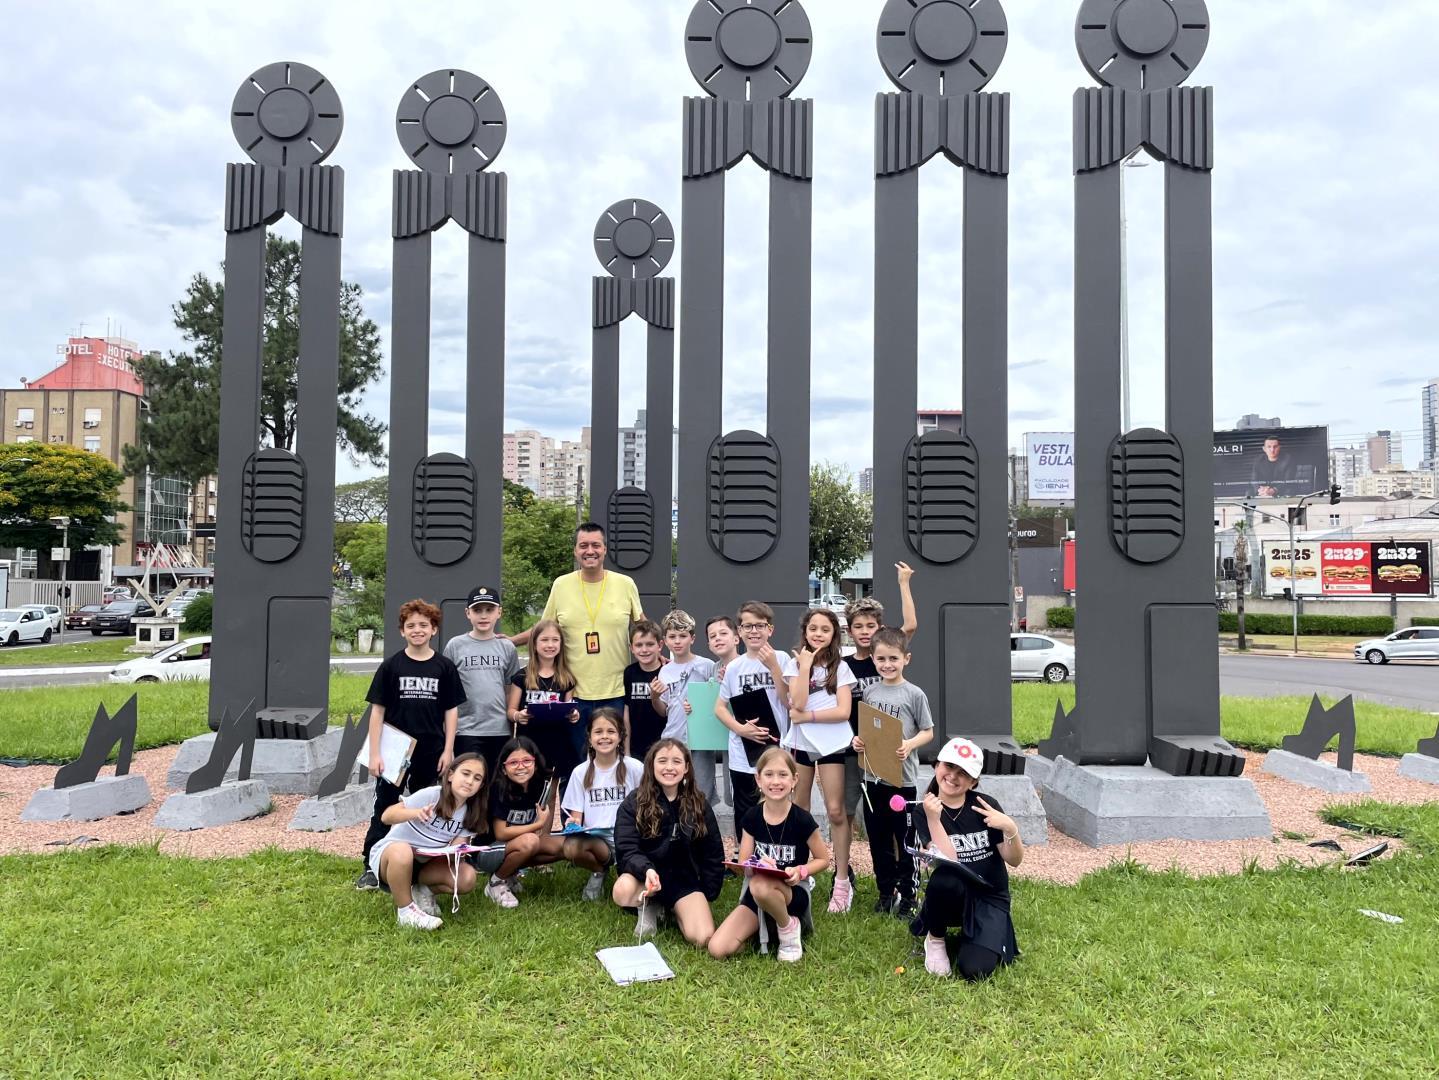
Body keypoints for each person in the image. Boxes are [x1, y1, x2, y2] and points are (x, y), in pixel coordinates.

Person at [356, 599, 466, 891]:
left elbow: (451, 711)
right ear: (402, 631)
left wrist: (448, 750)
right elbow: (377, 712)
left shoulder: (444, 667)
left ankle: (419, 864)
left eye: (423, 625)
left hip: (432, 749)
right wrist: (375, 753)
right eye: (411, 625)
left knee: (426, 807)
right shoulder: (391, 666)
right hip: (395, 750)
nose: (417, 630)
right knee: (385, 805)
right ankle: (371, 865)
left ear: (434, 629)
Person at [511, 523, 646, 759]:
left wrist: (661, 655)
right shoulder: (561, 585)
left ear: (605, 549)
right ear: (575, 550)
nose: (589, 551)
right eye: (583, 545)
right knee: (577, 762)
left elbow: (642, 627)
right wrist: (508, 641)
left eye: (596, 545)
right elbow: (542, 629)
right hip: (572, 693)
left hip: (615, 690)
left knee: (614, 761)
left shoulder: (625, 584)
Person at [912, 737, 1023, 980]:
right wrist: (934, 819)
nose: (953, 776)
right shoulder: (924, 810)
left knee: (975, 970)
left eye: (963, 773)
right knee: (944, 878)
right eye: (949, 766)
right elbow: (950, 860)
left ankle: (983, 933)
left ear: (973, 781)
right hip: (954, 892)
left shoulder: (985, 806)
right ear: (936, 765)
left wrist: (1010, 827)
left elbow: (1014, 860)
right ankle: (936, 938)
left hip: (989, 895)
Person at [838, 564, 917, 899]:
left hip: (886, 753)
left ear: (880, 628)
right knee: (847, 811)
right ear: (849, 631)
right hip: (853, 749)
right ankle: (844, 874)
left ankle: (900, 879)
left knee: (894, 816)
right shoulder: (844, 665)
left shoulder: (886, 655)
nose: (865, 632)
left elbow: (910, 625)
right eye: (859, 626)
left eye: (871, 625)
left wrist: (903, 583)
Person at [709, 747, 830, 963]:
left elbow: (823, 860)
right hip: (756, 895)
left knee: (760, 885)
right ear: (758, 779)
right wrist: (757, 862)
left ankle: (788, 927)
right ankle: (767, 927)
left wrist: (801, 870)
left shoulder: (802, 819)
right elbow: (744, 862)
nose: (776, 781)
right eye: (769, 774)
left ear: (794, 780)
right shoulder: (752, 817)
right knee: (718, 948)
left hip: (792, 893)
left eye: (783, 775)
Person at [851, 626, 935, 919]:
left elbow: (928, 731)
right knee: (878, 839)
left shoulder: (914, 694)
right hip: (873, 778)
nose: (887, 665)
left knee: (905, 840)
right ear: (873, 659)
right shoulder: (869, 692)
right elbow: (866, 731)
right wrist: (858, 742)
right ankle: (886, 892)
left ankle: (909, 895)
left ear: (906, 659)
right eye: (881, 659)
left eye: (893, 659)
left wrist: (910, 744)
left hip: (903, 781)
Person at [612, 739, 725, 947]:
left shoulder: (699, 803)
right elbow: (626, 850)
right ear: (651, 765)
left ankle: (673, 908)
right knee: (622, 890)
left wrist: (707, 892)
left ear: (686, 767)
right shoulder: (633, 803)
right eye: (662, 761)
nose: (669, 767)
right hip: (647, 878)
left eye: (676, 761)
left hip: (684, 882)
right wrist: (646, 870)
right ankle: (649, 905)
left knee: (702, 938)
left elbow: (713, 852)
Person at [784, 607, 857, 913]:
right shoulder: (794, 664)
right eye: (813, 628)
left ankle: (842, 881)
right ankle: (802, 873)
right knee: (799, 810)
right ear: (805, 631)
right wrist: (805, 667)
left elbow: (843, 711)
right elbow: (797, 702)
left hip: (833, 745)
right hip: (801, 745)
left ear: (834, 634)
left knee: (836, 810)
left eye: (825, 629)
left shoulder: (841, 667)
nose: (818, 634)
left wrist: (808, 717)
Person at [369, 754, 491, 930]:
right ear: (451, 775)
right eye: (465, 773)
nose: (470, 781)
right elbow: (386, 816)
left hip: (426, 862)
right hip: (392, 859)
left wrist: (459, 851)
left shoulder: (472, 811)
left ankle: (422, 891)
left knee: (466, 877)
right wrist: (415, 813)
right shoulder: (432, 795)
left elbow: (455, 852)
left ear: (481, 786)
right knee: (402, 850)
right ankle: (405, 911)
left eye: (477, 778)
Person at [714, 601, 793, 841]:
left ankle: (774, 853)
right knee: (745, 808)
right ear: (739, 631)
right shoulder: (734, 667)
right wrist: (741, 729)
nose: (754, 631)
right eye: (748, 626)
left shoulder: (782, 658)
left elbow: (788, 702)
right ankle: (746, 856)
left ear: (771, 629)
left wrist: (774, 667)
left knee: (775, 803)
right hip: (742, 752)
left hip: (775, 748)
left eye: (760, 625)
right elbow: (720, 708)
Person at [560, 708, 643, 901]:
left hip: (630, 838)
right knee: (571, 846)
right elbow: (576, 818)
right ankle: (599, 871)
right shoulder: (580, 772)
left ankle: (628, 872)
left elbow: (646, 806)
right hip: (598, 841)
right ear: (589, 738)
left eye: (611, 731)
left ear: (620, 736)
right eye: (598, 732)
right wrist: (572, 824)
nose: (604, 736)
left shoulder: (635, 767)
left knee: (630, 888)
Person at [506, 617, 580, 824]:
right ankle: (526, 830)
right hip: (530, 742)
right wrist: (518, 716)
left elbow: (570, 708)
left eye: (555, 640)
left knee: (550, 793)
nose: (550, 645)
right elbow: (510, 711)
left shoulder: (566, 677)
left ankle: (545, 836)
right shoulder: (522, 676)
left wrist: (574, 715)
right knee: (527, 789)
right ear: (534, 644)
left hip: (557, 742)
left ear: (561, 644)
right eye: (544, 640)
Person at [444, 585, 520, 776]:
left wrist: (512, 728)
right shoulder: (455, 646)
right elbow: (447, 692)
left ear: (499, 612)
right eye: (477, 610)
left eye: (489, 610)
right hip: (466, 729)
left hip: (499, 730)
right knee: (468, 782)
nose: (483, 615)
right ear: (467, 613)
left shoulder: (507, 647)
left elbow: (510, 690)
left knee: (496, 783)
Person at [484, 737, 566, 908]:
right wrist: (538, 825)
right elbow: (501, 833)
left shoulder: (539, 785)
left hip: (514, 845)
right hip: (488, 850)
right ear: (504, 768)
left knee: (561, 846)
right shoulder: (499, 788)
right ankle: (496, 882)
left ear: (535, 764)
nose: (521, 767)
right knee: (530, 841)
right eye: (513, 762)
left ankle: (510, 873)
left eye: (527, 761)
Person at [652, 609, 718, 802]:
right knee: (673, 791)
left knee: (701, 792)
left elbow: (717, 700)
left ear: (692, 638)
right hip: (673, 737)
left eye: (683, 636)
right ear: (665, 640)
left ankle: (701, 821)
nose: (677, 641)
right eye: (672, 636)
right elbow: (663, 710)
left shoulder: (707, 665)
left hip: (701, 740)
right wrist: (654, 697)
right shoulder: (665, 671)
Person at [623, 620, 667, 763]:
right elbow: (626, 713)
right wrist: (626, 751)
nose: (644, 650)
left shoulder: (667, 671)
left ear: (660, 645)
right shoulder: (629, 673)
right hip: (636, 748)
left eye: (650, 644)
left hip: (664, 746)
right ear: (631, 648)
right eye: (639, 645)